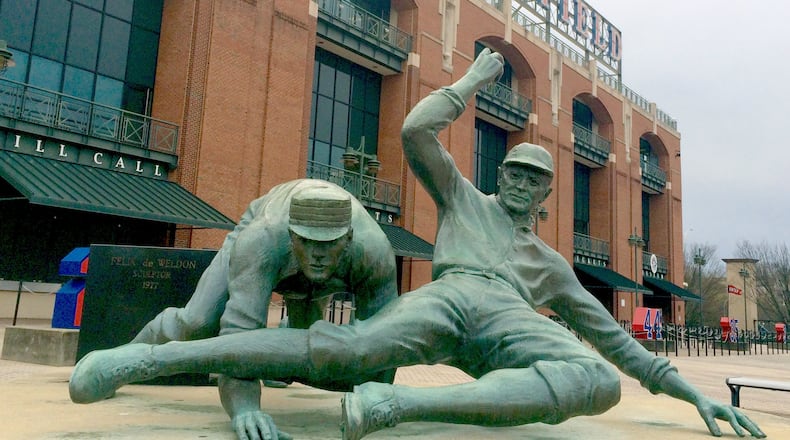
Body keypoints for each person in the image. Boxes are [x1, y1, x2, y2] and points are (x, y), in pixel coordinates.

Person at [69, 50, 765, 440]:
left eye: (534, 178)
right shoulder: (463, 199)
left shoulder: (552, 267)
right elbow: (413, 133)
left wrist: (689, 396)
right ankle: (140, 360)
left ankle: (400, 407)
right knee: (349, 350)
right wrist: (469, 84)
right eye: (513, 171)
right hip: (447, 299)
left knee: (598, 382)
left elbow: (618, 344)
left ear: (546, 195)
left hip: (509, 322)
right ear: (499, 175)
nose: (520, 182)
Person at [92, 179, 399, 440]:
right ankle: (124, 357)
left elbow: (385, 348)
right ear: (292, 236)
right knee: (197, 322)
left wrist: (374, 401)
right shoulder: (261, 240)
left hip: (315, 265)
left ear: (348, 239)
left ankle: (280, 356)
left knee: (327, 352)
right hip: (263, 230)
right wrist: (245, 408)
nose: (317, 254)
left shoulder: (374, 252)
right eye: (307, 241)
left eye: (328, 243)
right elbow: (237, 339)